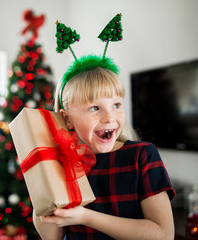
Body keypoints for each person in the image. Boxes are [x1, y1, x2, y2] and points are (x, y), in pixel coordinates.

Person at [32, 55, 176, 240]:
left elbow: (163, 235)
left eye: (116, 105)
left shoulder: (142, 155)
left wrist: (86, 217)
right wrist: (41, 178)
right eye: (94, 108)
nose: (109, 117)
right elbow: (51, 237)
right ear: (67, 118)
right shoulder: (61, 163)